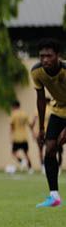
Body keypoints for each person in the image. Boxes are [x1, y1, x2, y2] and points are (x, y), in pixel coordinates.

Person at [31, 39, 66, 208]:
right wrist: (42, 129)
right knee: (50, 149)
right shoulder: (37, 72)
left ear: (57, 56)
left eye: (49, 56)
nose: (45, 60)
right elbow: (40, 99)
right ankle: (54, 196)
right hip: (58, 110)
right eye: (42, 56)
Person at [10, 100, 32, 173]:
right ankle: (30, 168)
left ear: (14, 106)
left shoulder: (13, 114)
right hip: (24, 136)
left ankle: (22, 161)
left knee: (13, 152)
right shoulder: (24, 114)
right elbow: (30, 124)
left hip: (17, 136)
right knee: (26, 153)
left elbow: (12, 126)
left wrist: (11, 136)